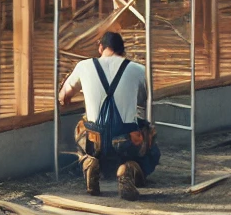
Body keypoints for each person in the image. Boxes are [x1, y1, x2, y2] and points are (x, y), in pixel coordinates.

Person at [58, 31, 159, 199]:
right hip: (126, 139)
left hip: (94, 138)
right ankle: (130, 168)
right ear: (122, 50)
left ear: (100, 47)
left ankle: (89, 161)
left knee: (83, 127)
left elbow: (63, 96)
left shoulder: (84, 66)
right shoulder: (139, 70)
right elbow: (143, 99)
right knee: (150, 140)